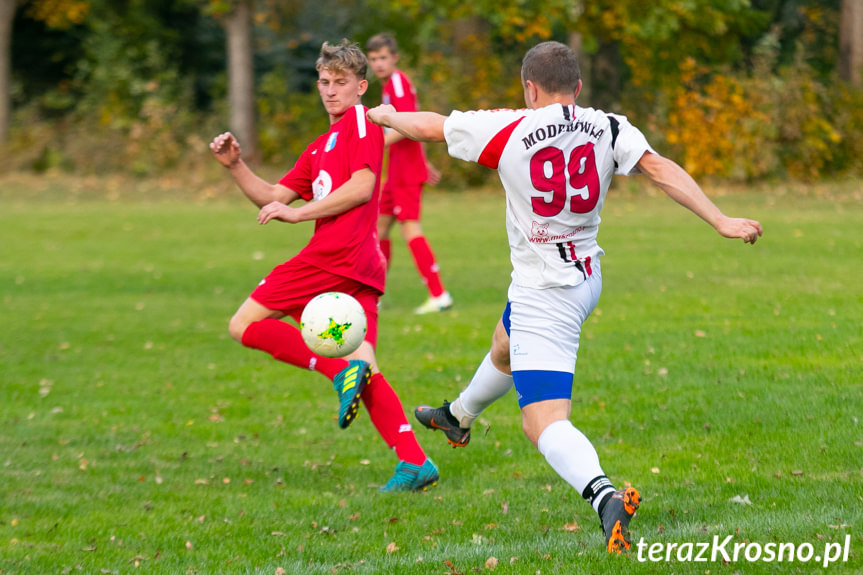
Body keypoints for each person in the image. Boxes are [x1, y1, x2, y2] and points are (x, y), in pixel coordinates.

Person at [367, 41, 763, 551]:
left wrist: (385, 115)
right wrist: (722, 220)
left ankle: (604, 498)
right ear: (577, 88)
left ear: (529, 88)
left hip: (545, 294)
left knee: (542, 422)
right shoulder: (608, 125)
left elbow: (431, 125)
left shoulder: (507, 127)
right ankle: (458, 416)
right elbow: (660, 169)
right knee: (504, 345)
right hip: (586, 278)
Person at [208, 39, 438, 492]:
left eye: (341, 83)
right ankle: (414, 462)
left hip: (333, 257)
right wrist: (235, 166)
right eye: (324, 82)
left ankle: (336, 372)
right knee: (365, 365)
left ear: (360, 87)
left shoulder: (362, 122)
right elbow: (274, 195)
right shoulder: (320, 146)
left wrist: (300, 213)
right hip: (363, 263)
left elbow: (364, 186)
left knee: (244, 324)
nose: (330, 91)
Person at [365, 33, 452, 315]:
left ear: (394, 58)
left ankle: (439, 294)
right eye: (374, 58)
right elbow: (408, 125)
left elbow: (405, 127)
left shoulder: (398, 83)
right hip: (400, 169)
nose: (378, 63)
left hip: (405, 171)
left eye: (383, 58)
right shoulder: (390, 85)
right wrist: (423, 162)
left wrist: (372, 145)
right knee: (379, 227)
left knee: (410, 227)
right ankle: (373, 293)